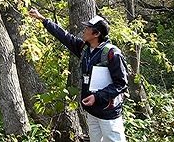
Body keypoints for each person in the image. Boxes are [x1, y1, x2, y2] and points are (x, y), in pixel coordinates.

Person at [29, 9, 129, 142]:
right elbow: (64, 36)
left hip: (108, 112)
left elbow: (121, 84)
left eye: (88, 28)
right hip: (92, 110)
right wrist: (43, 19)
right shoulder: (85, 49)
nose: (84, 30)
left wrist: (97, 97)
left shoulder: (112, 53)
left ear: (96, 34)